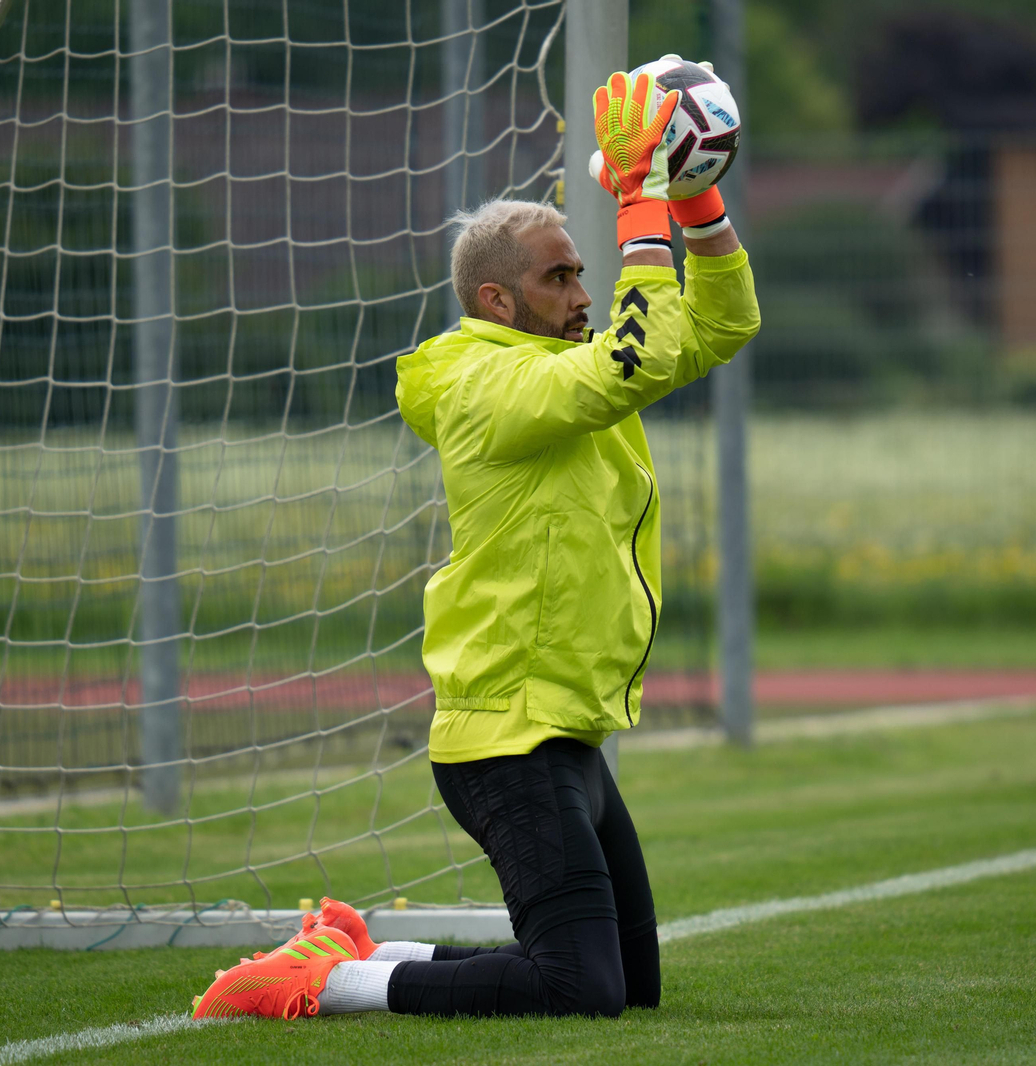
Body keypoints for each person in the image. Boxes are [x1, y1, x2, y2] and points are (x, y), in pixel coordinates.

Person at [192, 67, 760, 1023]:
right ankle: (320, 985)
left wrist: (694, 196)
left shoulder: (552, 366)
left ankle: (360, 945)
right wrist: (639, 199)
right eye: (561, 275)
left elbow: (722, 322)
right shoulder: (482, 386)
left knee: (631, 987)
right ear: (496, 299)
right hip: (507, 741)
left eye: (583, 270)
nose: (583, 290)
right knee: (581, 990)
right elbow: (639, 356)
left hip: (564, 732)